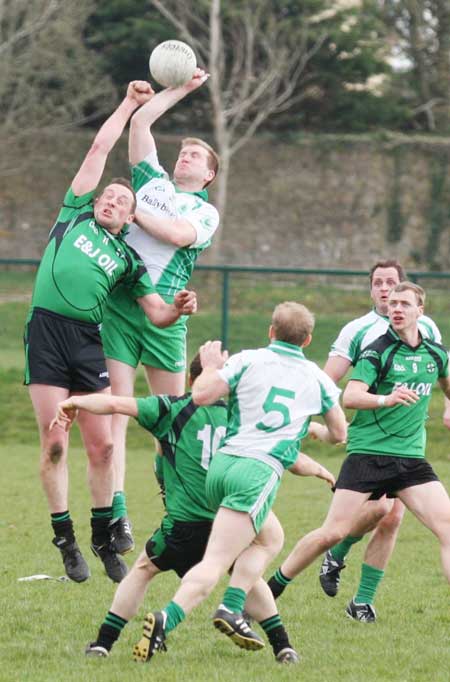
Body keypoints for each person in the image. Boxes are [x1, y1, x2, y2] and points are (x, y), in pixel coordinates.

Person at [50, 352, 335, 664]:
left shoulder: (170, 409)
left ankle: (103, 643)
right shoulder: (243, 418)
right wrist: (320, 470)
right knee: (248, 573)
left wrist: (74, 403)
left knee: (144, 569)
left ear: (190, 379)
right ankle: (283, 647)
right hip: (229, 518)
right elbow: (290, 458)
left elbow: (116, 403)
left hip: (183, 527)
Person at [26, 80, 197, 585]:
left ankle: (105, 539)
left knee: (102, 447)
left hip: (87, 341)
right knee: (56, 442)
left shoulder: (128, 259)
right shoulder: (73, 214)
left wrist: (180, 307)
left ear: (130, 218)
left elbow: (157, 314)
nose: (112, 200)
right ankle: (66, 538)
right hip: (46, 335)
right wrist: (129, 104)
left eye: (122, 200)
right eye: (108, 195)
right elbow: (101, 146)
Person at [126, 302, 347, 664]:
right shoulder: (317, 377)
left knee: (270, 537)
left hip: (222, 468)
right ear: (307, 340)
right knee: (216, 562)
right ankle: (193, 613)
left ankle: (275, 640)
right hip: (256, 473)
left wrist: (211, 368)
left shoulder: (248, 359)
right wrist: (316, 428)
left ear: (271, 331)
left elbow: (201, 395)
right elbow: (340, 433)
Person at [269, 259, 447, 620]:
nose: (393, 304)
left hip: (411, 458)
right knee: (332, 532)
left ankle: (362, 601)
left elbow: (444, 378)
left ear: (419, 310)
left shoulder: (434, 348)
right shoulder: (374, 346)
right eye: (388, 296)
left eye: (402, 300)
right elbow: (346, 394)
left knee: (436, 526)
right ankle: (273, 586)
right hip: (368, 454)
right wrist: (384, 399)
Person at [100, 68, 220, 555]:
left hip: (165, 315)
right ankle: (119, 514)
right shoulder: (150, 181)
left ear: (208, 174)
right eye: (183, 152)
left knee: (171, 421)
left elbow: (174, 236)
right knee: (116, 416)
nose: (184, 156)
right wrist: (181, 89)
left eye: (195, 155)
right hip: (121, 306)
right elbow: (141, 124)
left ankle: (177, 507)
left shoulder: (204, 212)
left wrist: (132, 214)